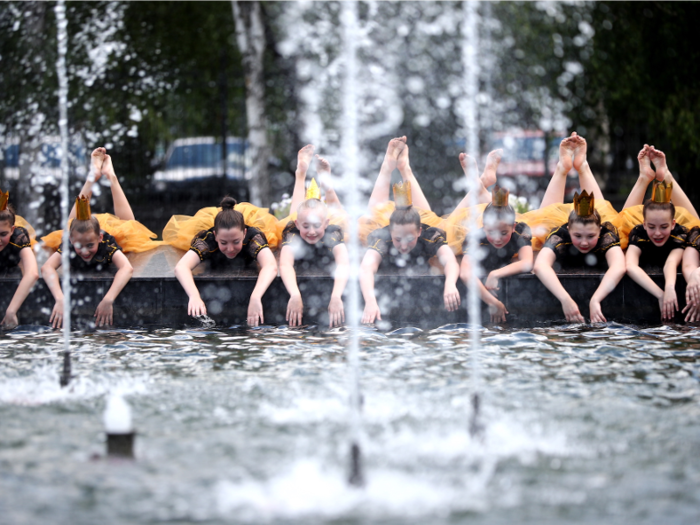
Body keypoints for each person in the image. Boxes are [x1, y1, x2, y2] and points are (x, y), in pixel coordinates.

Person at [41, 148, 149, 328]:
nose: (84, 250)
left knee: (130, 227)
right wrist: (60, 299)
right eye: (78, 245)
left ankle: (111, 176)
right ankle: (93, 175)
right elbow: (47, 268)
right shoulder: (70, 242)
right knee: (71, 223)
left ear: (99, 238)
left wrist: (108, 300)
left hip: (107, 231)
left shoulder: (106, 242)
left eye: (89, 245)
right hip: (80, 230)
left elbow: (127, 269)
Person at [360, 138, 460, 324]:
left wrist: (450, 284)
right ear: (391, 233)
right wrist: (370, 301)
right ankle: (387, 167)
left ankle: (405, 169)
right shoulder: (383, 237)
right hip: (392, 221)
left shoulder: (429, 235)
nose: (403, 245)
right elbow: (366, 268)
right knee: (374, 217)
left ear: (419, 232)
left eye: (409, 239)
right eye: (398, 240)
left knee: (428, 215)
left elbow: (450, 262)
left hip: (416, 220)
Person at [531, 132, 626, 323]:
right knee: (544, 219)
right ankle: (562, 168)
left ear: (599, 231)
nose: (584, 242)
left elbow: (619, 267)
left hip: (595, 218)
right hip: (564, 222)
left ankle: (582, 166)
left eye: (590, 236)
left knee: (602, 210)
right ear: (568, 229)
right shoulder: (561, 234)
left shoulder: (605, 234)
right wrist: (565, 299)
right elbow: (540, 266)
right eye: (578, 236)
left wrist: (596, 299)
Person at [619, 146, 700, 321]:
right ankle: (644, 177)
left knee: (696, 224)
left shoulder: (680, 233)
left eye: (663, 227)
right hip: (645, 221)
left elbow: (670, 262)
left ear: (672, 225)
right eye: (652, 227)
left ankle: (666, 174)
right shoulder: (639, 232)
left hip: (673, 225)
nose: (657, 233)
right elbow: (630, 266)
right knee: (620, 226)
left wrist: (670, 287)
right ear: (644, 224)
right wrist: (661, 293)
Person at [172, 196, 278, 326]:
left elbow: (271, 265)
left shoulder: (253, 238)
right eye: (223, 243)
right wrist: (194, 296)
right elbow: (181, 267)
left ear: (244, 233)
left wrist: (255, 297)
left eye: (236, 242)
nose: (230, 248)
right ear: (216, 235)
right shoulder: (208, 240)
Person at [454, 158, 534, 322]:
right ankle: (478, 181)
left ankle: (481, 181)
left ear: (513, 227)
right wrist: (493, 302)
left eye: (504, 233)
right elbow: (465, 273)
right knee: (450, 221)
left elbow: (527, 263)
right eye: (491, 232)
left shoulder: (520, 231)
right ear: (483, 227)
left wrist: (495, 273)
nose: (497, 238)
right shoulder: (475, 237)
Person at [278, 145, 349, 328]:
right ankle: (300, 174)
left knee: (344, 220)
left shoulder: (331, 231)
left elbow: (343, 263)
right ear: (298, 226)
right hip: (297, 221)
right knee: (294, 214)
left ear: (325, 224)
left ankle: (327, 184)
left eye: (316, 226)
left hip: (328, 223)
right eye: (306, 226)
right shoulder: (293, 231)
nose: (311, 231)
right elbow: (285, 264)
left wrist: (336, 296)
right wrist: (295, 294)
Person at [0, 189, 39, 329]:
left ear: (12, 230)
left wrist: (11, 310)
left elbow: (33, 273)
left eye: (3, 234)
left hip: (13, 259)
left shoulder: (18, 237)